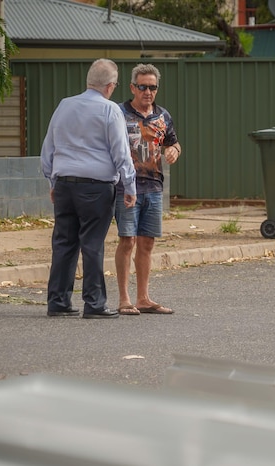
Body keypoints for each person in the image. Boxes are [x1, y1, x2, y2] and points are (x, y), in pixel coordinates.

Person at [41, 58, 137, 319]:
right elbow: (121, 152)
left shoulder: (64, 106)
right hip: (96, 187)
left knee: (63, 242)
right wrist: (130, 185)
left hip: (64, 185)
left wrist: (53, 181)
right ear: (110, 86)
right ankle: (94, 304)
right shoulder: (110, 110)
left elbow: (47, 149)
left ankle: (58, 301)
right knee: (92, 244)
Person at [114, 64, 181, 316]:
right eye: (143, 87)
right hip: (127, 187)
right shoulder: (119, 113)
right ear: (132, 87)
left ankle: (143, 298)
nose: (148, 92)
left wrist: (174, 150)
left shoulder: (162, 115)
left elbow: (173, 143)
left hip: (154, 186)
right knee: (127, 240)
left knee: (147, 243)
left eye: (153, 87)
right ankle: (124, 298)